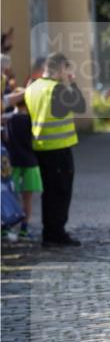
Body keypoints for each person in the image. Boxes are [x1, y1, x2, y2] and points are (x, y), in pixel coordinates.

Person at [24, 52, 86, 247]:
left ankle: (50, 233)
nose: (69, 74)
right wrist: (73, 84)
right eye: (67, 70)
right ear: (60, 69)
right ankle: (55, 233)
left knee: (49, 192)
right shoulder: (57, 89)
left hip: (40, 147)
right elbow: (81, 106)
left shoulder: (32, 88)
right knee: (60, 192)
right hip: (58, 148)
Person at [2, 96, 42, 239]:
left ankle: (5, 227)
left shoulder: (8, 120)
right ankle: (24, 230)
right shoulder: (32, 120)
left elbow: (5, 139)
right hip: (30, 162)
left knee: (9, 196)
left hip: (12, 163)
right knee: (28, 199)